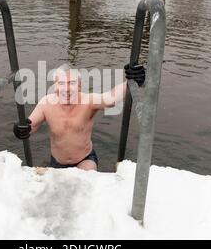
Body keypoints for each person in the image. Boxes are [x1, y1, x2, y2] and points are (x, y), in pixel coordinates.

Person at [13, 63, 145, 171]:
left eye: (71, 83)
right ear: (55, 86)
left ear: (79, 86)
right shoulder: (46, 103)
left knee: (85, 181)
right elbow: (31, 125)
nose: (66, 89)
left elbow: (110, 98)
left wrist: (131, 82)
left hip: (85, 160)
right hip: (57, 162)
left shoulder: (88, 101)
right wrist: (21, 129)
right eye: (61, 83)